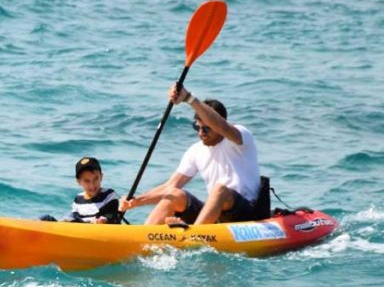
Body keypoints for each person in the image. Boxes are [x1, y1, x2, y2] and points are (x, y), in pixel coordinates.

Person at [119, 84, 261, 225]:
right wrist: (137, 201)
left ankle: (193, 237)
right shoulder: (196, 150)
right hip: (216, 215)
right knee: (174, 194)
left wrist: (188, 98)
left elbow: (221, 125)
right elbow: (171, 185)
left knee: (220, 189)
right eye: (197, 127)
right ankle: (144, 236)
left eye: (206, 128)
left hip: (246, 212)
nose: (200, 133)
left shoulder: (240, 137)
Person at [61, 156, 121, 224]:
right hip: (84, 230)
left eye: (96, 179)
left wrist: (103, 219)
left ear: (101, 177)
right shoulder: (78, 199)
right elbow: (75, 217)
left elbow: (112, 212)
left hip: (103, 230)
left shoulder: (109, 194)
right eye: (87, 181)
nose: (92, 185)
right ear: (79, 182)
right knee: (49, 218)